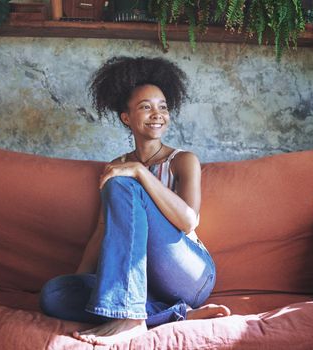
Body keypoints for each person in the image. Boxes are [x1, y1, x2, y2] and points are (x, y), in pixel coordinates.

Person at [39, 56, 230, 346]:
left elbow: (188, 220)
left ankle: (129, 318)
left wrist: (140, 172)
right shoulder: (118, 165)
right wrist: (80, 281)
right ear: (126, 117)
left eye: (163, 107)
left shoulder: (183, 161)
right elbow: (102, 232)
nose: (157, 114)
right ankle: (171, 314)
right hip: (143, 288)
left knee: (122, 182)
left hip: (187, 272)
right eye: (146, 107)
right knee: (54, 294)